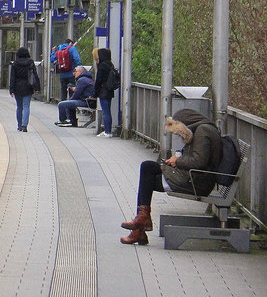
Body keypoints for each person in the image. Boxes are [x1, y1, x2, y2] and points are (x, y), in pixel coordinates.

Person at [120, 108, 224, 245]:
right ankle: (141, 221)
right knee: (148, 167)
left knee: (148, 178)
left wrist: (177, 161)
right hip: (193, 177)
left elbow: (199, 161)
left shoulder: (203, 132)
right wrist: (176, 159)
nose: (180, 136)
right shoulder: (203, 129)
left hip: (196, 182)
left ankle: (140, 227)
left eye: (180, 132)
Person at [8, 47, 40, 132]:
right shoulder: (30, 62)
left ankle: (19, 125)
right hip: (28, 86)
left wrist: (11, 89)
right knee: (26, 106)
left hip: (17, 87)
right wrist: (37, 87)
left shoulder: (15, 63)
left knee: (19, 107)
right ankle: (24, 125)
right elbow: (35, 75)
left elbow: (12, 77)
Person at [92, 48, 119, 137]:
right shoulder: (110, 65)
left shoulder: (102, 66)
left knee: (105, 111)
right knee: (108, 111)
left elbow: (98, 80)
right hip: (109, 90)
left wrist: (95, 92)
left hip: (103, 91)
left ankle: (107, 131)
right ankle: (108, 131)